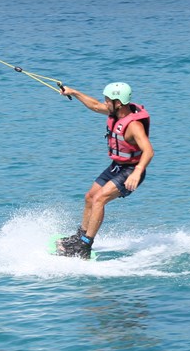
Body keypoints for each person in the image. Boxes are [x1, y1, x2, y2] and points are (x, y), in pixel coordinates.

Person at [56, 82, 153, 259]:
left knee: (100, 199)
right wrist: (74, 92)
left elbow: (148, 150)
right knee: (89, 197)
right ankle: (79, 237)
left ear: (119, 103)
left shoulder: (134, 125)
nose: (105, 103)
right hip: (117, 166)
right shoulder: (115, 112)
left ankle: (85, 246)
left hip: (131, 171)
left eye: (107, 100)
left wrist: (138, 172)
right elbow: (94, 105)